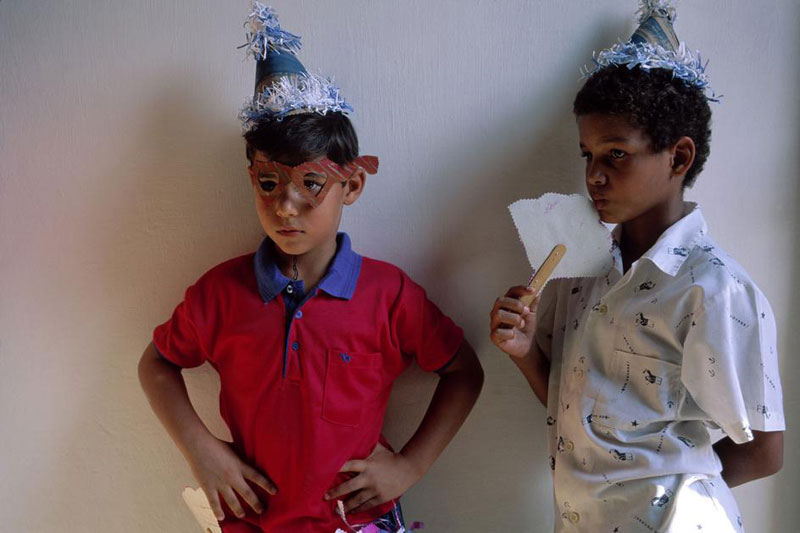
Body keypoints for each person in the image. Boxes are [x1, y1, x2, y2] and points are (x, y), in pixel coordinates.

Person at [138, 4, 483, 532]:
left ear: (352, 185)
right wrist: (201, 450)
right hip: (251, 521)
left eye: (311, 184)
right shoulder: (220, 293)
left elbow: (463, 371)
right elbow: (157, 364)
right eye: (269, 183)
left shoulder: (388, 295)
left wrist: (411, 466)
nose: (286, 206)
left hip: (358, 522)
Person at [490, 2, 784, 531]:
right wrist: (523, 350)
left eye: (616, 154)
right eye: (587, 155)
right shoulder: (579, 266)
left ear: (678, 157)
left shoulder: (714, 291)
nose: (594, 176)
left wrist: (662, 493)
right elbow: (571, 406)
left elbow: (764, 452)